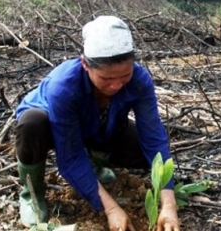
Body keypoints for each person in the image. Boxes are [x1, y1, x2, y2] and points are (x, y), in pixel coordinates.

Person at [15, 16, 180, 231]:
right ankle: (32, 193)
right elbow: (69, 156)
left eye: (125, 76)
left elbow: (153, 137)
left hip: (99, 127)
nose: (116, 86)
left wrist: (169, 204)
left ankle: (94, 164)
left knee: (142, 151)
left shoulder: (140, 80)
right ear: (85, 64)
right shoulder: (64, 86)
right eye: (106, 78)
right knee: (32, 123)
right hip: (56, 129)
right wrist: (110, 209)